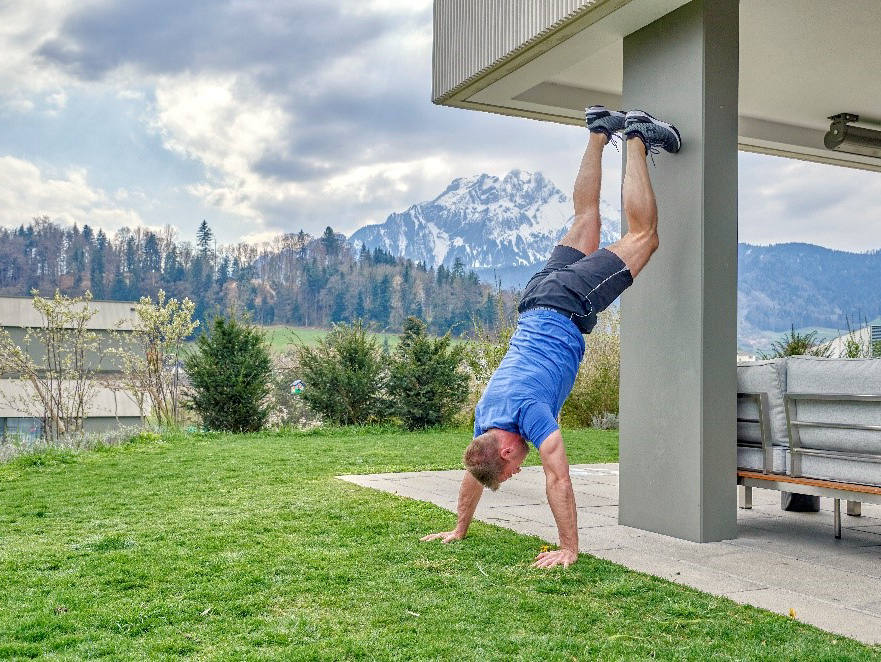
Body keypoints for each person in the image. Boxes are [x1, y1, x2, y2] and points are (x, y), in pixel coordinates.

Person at [421, 107, 681, 569]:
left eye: (512, 466)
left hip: (568, 301)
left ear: (504, 448)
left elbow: (558, 480)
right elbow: (473, 475)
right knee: (586, 218)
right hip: (536, 297)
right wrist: (459, 528)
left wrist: (569, 548)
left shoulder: (529, 415)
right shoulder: (487, 417)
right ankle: (600, 131)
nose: (519, 468)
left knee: (645, 236)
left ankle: (638, 137)